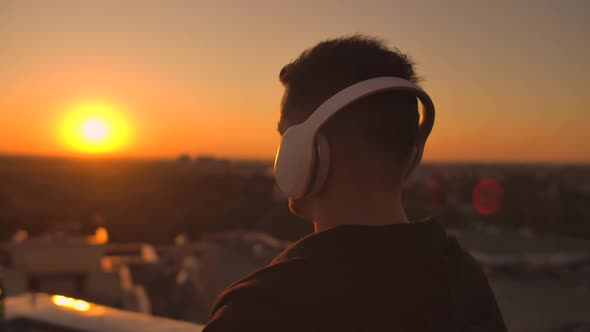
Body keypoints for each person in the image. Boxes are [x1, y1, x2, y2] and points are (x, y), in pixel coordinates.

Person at [203, 35, 506, 332]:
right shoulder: (463, 278)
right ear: (411, 157)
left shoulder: (261, 309)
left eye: (285, 136)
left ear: (306, 150)